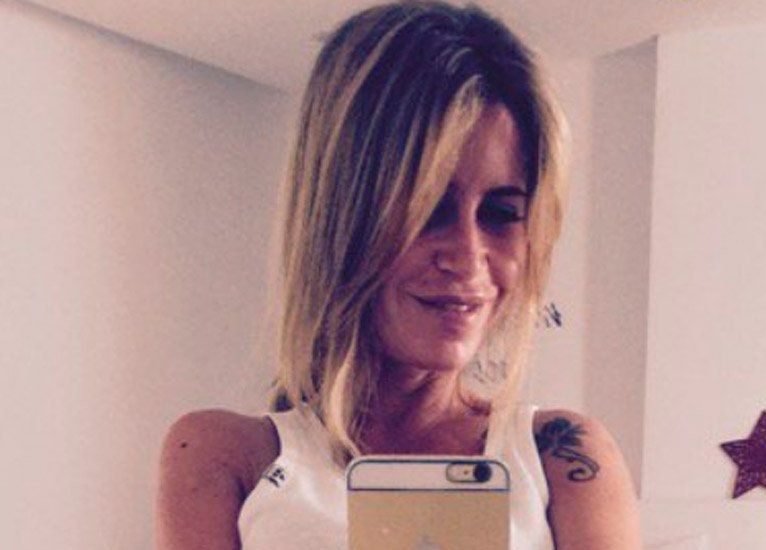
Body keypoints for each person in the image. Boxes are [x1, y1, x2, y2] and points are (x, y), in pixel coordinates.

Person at [155, 1, 643, 549]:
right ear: (341, 216)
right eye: (428, 207)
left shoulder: (565, 461)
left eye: (502, 213)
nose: (468, 256)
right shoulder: (224, 456)